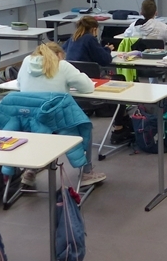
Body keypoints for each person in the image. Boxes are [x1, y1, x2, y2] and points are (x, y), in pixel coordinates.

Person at [15, 42, 105, 187]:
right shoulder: (62, 65)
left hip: (30, 119)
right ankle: (87, 172)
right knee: (84, 125)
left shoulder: (26, 62)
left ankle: (30, 170)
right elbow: (88, 87)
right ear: (58, 55)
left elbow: (19, 84)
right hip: (57, 119)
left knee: (39, 133)